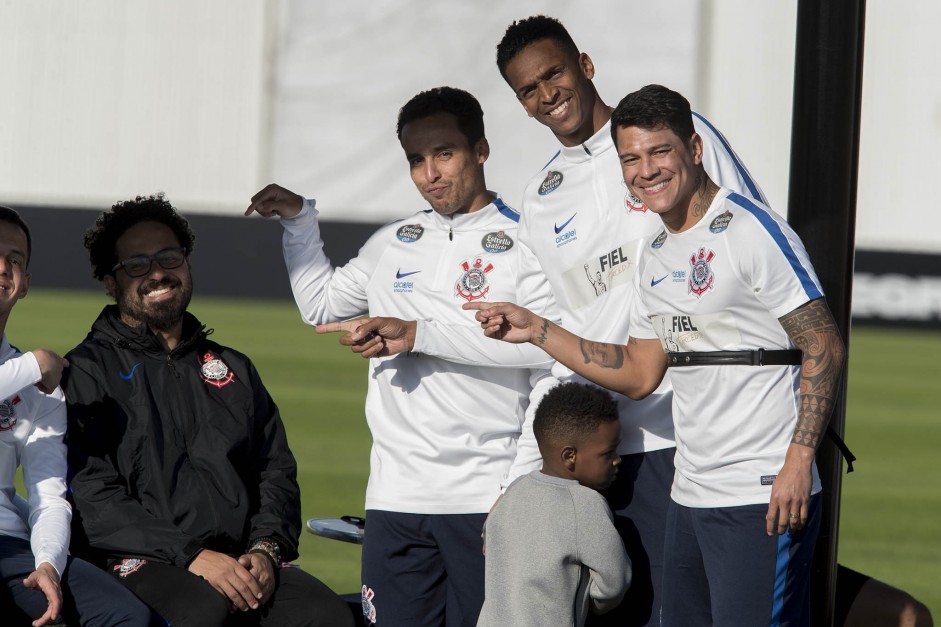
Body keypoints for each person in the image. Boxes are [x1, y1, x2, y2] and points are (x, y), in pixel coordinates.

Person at [336, 15, 768, 627]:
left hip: (694, 430)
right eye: (528, 90)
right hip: (600, 446)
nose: (546, 95)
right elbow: (559, 331)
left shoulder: (670, 142)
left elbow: (753, 243)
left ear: (585, 65)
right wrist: (529, 466)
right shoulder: (542, 198)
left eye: (554, 74)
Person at [466, 84, 847, 626]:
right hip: (690, 494)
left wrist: (798, 461)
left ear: (693, 149)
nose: (646, 170)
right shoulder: (657, 253)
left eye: (659, 151)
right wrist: (538, 330)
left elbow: (823, 342)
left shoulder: (751, 230)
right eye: (631, 158)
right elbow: (640, 372)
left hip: (760, 492)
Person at [246, 87, 553, 627]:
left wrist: (520, 484)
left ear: (480, 150)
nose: (430, 172)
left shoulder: (528, 243)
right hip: (394, 498)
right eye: (416, 159)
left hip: (486, 497)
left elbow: (550, 358)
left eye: (444, 153)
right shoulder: (394, 241)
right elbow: (321, 303)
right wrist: (299, 222)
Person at [62, 195, 353, 627]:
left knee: (323, 614)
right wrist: (192, 556)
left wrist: (266, 550)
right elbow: (93, 496)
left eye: (169, 257)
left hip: (238, 557)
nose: (158, 272)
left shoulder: (232, 367)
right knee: (201, 611)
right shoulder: (86, 371)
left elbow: (275, 471)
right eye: (137, 264)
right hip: (137, 560)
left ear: (187, 261)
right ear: (110, 281)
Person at [0, 206, 152, 627]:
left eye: (15, 260)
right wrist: (33, 364)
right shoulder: (34, 371)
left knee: (127, 618)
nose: (3, 267)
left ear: (25, 284)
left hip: (9, 547)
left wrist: (47, 562)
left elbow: (49, 497)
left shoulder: (42, 387)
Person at [477, 382, 631, 627]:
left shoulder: (513, 493)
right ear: (570, 456)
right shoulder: (585, 504)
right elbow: (614, 581)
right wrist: (588, 604)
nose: (617, 460)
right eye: (608, 453)